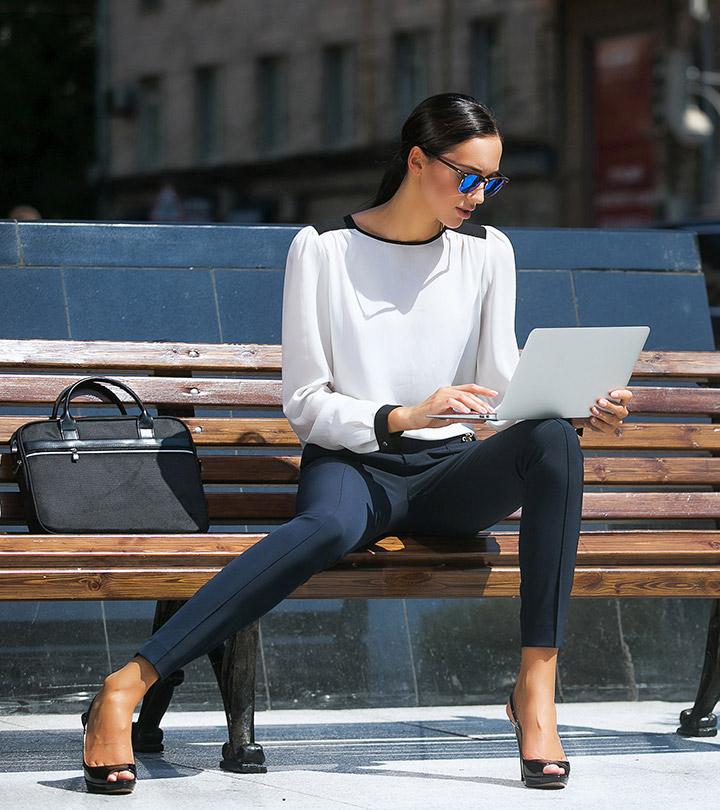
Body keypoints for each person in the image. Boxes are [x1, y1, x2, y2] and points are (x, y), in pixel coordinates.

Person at [80, 92, 631, 794]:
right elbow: (307, 405)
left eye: (492, 182)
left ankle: (536, 690)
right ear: (415, 160)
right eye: (467, 177)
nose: (479, 196)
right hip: (355, 465)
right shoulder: (323, 252)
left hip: (448, 471)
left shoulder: (489, 254)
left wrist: (584, 405)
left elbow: (501, 376)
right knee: (329, 524)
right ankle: (126, 686)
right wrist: (402, 414)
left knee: (555, 441)